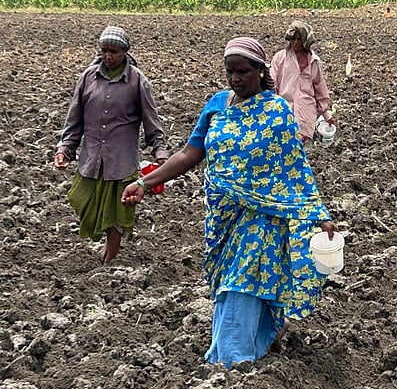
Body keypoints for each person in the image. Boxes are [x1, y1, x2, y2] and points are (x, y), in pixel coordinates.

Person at [121, 37, 339, 370]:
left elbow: (295, 171)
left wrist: (318, 215)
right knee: (232, 280)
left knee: (244, 278)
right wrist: (144, 182)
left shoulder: (277, 111)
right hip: (224, 216)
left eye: (242, 72)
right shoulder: (218, 106)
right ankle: (253, 345)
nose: (235, 79)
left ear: (260, 71)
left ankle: (231, 357)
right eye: (229, 72)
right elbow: (190, 153)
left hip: (263, 215)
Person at [54, 26, 169, 265]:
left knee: (116, 212)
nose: (108, 56)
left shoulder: (137, 81)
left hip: (121, 159)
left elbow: (151, 121)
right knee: (82, 199)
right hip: (92, 157)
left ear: (125, 52)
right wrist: (66, 149)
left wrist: (160, 152)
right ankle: (107, 253)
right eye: (104, 50)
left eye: (114, 51)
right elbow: (74, 119)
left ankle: (110, 259)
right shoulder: (88, 77)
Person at [270, 20, 337, 143]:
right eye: (293, 39)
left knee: (299, 147)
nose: (295, 43)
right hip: (283, 111)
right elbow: (272, 85)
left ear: (306, 41)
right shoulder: (280, 58)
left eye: (299, 39)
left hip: (306, 112)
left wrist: (326, 115)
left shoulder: (314, 62)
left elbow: (319, 88)